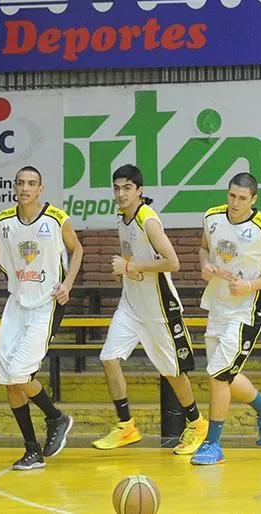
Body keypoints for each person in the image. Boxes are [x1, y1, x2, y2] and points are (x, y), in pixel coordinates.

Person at [93, 164, 208, 454]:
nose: (121, 193)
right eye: (117, 188)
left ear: (139, 190)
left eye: (127, 188)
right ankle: (126, 426)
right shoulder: (122, 217)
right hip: (131, 306)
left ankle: (196, 422)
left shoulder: (148, 220)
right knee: (108, 358)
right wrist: (125, 269)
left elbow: (173, 262)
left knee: (172, 372)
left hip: (159, 310)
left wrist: (130, 266)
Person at [0, 166, 80, 470]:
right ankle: (32, 449)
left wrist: (68, 285)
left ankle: (55, 418)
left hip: (47, 302)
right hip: (17, 302)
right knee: (9, 378)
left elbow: (78, 251)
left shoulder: (57, 219)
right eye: (21, 183)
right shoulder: (3, 220)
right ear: (15, 187)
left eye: (31, 184)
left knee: (20, 372)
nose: (25, 188)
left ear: (40, 189)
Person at [191, 172, 261, 465]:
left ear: (254, 199)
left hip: (247, 309)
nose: (235, 203)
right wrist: (205, 265)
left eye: (242, 198)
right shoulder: (212, 217)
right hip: (218, 305)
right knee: (226, 374)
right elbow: (203, 249)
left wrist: (250, 285)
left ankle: (213, 444)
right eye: (231, 195)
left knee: (218, 375)